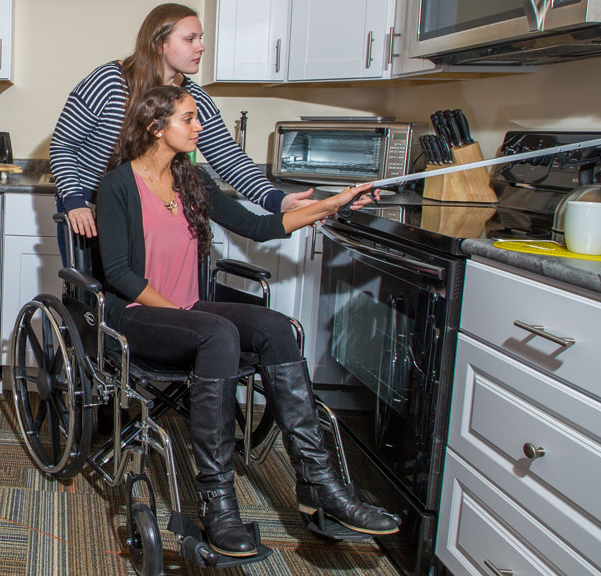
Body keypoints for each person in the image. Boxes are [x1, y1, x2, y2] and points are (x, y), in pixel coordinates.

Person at [96, 85, 399, 559]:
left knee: (275, 327)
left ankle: (322, 489)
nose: (200, 127)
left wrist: (334, 203)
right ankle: (218, 506)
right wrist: (178, 317)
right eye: (190, 119)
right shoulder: (117, 185)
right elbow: (119, 274)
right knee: (217, 332)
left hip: (188, 311)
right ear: (156, 127)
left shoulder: (191, 179)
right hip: (138, 316)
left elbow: (259, 226)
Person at [50, 3, 315, 254]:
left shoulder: (193, 98)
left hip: (146, 209)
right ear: (160, 44)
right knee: (90, 295)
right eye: (190, 39)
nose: (200, 47)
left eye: (200, 38)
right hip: (88, 205)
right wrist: (74, 201)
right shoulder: (108, 81)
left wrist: (276, 200)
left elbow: (228, 158)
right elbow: (62, 145)